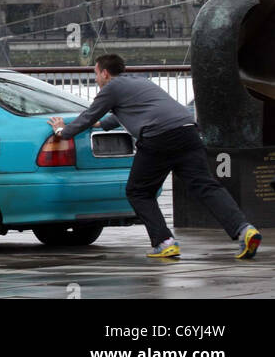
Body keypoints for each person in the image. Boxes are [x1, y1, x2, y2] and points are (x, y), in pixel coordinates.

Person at [49, 53, 260, 260]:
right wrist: (101, 124)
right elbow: (120, 115)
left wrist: (62, 131)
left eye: (95, 74)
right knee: (206, 186)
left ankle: (164, 242)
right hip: (187, 131)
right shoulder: (138, 82)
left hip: (159, 138)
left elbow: (89, 115)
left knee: (138, 191)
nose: (95, 79)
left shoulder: (112, 88)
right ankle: (244, 230)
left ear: (104, 73)